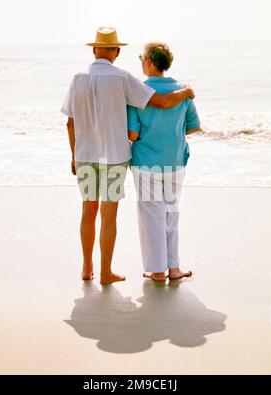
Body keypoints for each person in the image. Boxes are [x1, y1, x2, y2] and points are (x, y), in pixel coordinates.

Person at [61, 27, 195, 285]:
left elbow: (70, 122)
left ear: (94, 49)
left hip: (85, 155)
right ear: (117, 51)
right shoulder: (122, 78)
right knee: (108, 215)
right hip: (113, 157)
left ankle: (87, 268)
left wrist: (73, 156)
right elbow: (162, 102)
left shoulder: (77, 78)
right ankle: (105, 273)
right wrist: (186, 92)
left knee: (88, 211)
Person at [127, 41, 201, 283]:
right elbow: (194, 127)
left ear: (148, 62)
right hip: (175, 160)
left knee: (151, 215)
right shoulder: (184, 90)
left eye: (141, 58)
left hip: (146, 161)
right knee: (171, 213)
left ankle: (157, 270)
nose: (141, 63)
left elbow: (133, 134)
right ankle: (174, 268)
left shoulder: (139, 91)